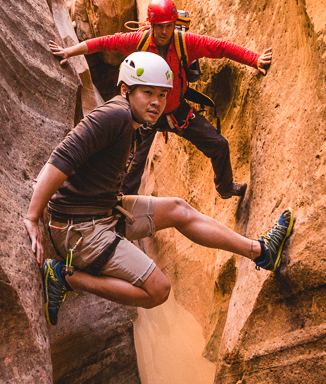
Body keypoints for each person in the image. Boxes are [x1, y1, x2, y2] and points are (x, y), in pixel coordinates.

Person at [22, 51, 293, 326]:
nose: (156, 102)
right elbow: (61, 157)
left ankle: (262, 251)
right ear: (126, 90)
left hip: (103, 211)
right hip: (79, 229)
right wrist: (33, 216)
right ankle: (64, 277)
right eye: (148, 93)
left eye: (162, 95)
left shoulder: (134, 119)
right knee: (158, 291)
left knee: (178, 209)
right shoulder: (114, 115)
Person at [49, 0, 272, 200]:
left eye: (169, 26)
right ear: (152, 25)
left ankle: (225, 188)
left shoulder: (186, 43)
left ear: (174, 24)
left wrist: (255, 59)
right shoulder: (139, 41)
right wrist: (69, 52)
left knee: (219, 145)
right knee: (132, 171)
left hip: (176, 111)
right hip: (145, 115)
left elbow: (220, 47)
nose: (165, 32)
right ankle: (119, 211)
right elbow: (105, 42)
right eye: (160, 27)